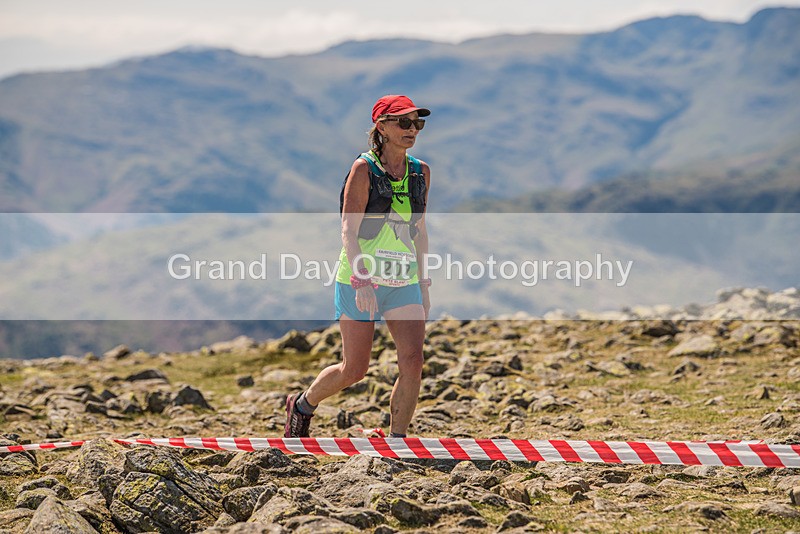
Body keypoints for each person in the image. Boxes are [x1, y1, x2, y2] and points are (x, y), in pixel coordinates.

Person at [285, 95, 432, 439]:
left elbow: (419, 230)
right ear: (381, 127)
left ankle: (397, 439)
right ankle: (303, 405)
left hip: (403, 279)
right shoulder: (364, 169)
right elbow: (349, 229)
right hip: (359, 278)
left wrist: (423, 282)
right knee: (355, 369)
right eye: (403, 122)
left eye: (417, 123)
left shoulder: (420, 171)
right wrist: (361, 278)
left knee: (413, 360)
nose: (412, 130)